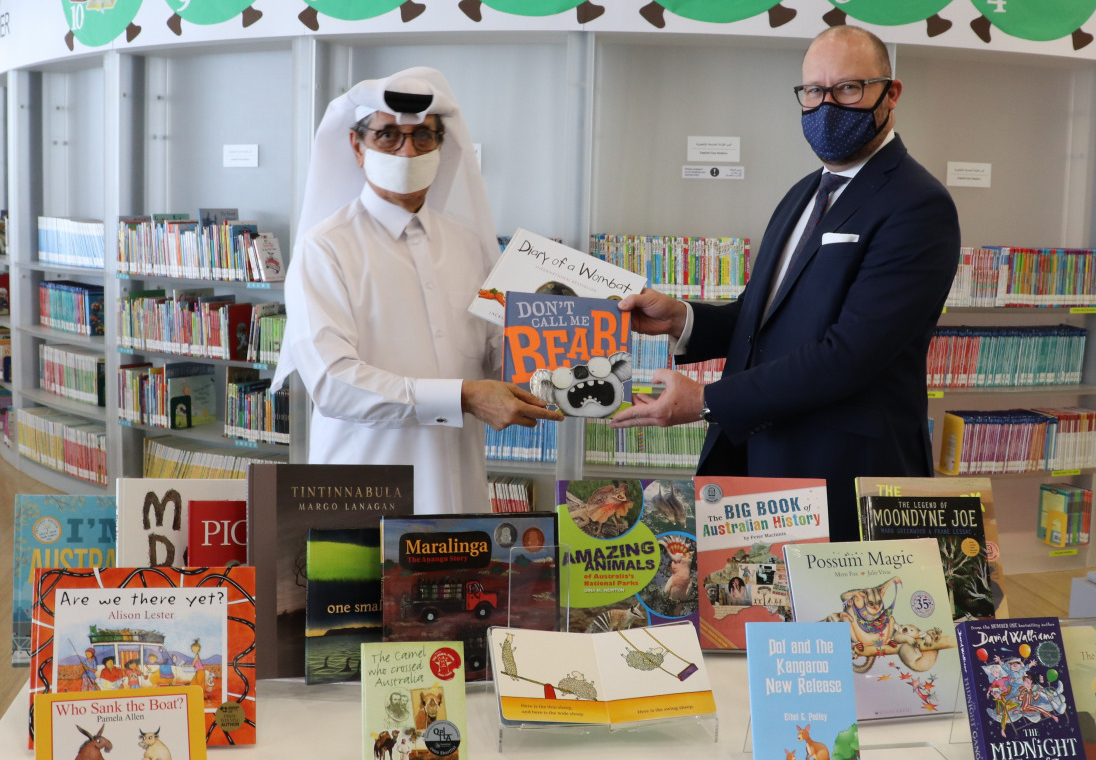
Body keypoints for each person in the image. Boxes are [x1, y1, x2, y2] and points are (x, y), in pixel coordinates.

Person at [612, 26, 960, 541]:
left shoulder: (918, 205)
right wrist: (682, 318)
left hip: (840, 474)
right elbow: (764, 316)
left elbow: (849, 355)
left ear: (891, 93)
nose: (826, 106)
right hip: (755, 463)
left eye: (848, 88)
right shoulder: (803, 192)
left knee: (834, 623)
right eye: (813, 91)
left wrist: (707, 401)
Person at [272, 68, 560, 513]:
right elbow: (332, 382)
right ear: (357, 145)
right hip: (365, 492)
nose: (407, 151)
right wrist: (463, 396)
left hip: (459, 484)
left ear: (441, 146)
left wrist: (560, 354)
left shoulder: (468, 243)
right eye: (388, 136)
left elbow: (497, 346)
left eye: (423, 136)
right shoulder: (325, 247)